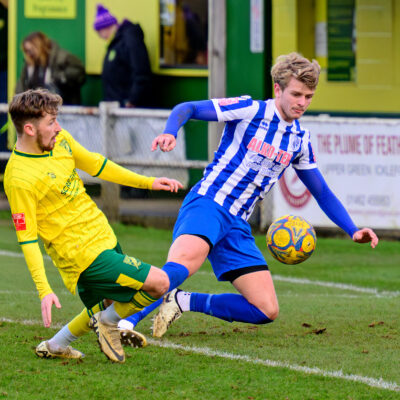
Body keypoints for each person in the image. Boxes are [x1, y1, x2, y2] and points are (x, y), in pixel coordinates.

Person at [119, 52, 379, 336]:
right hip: (209, 203)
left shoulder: (299, 140)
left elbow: (322, 192)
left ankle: (182, 301)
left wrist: (352, 229)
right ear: (278, 89)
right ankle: (123, 320)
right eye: (296, 94)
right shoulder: (249, 110)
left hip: (237, 224)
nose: (302, 102)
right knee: (183, 265)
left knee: (266, 309)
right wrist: (171, 132)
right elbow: (187, 107)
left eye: (309, 96)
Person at [4, 88, 190, 363]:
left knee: (110, 302)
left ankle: (56, 345)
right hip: (81, 256)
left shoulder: (61, 141)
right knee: (160, 283)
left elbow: (97, 165)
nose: (58, 128)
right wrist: (44, 289)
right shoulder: (19, 178)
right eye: (51, 122)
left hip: (103, 235)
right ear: (30, 129)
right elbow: (27, 238)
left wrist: (148, 182)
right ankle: (109, 324)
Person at [93, 4, 153, 108]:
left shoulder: (129, 40)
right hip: (117, 105)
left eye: (99, 32)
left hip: (127, 106)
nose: (100, 36)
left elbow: (141, 72)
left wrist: (132, 100)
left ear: (105, 28)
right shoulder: (116, 43)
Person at [16, 32, 85, 105]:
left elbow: (79, 75)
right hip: (37, 107)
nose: (29, 54)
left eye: (31, 50)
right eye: (26, 51)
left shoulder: (61, 57)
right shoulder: (29, 64)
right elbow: (21, 86)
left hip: (63, 105)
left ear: (40, 46)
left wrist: (60, 77)